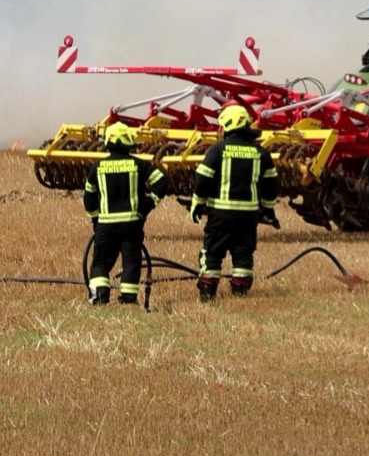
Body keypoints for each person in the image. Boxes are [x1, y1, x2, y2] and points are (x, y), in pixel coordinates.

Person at [189, 104, 280, 302]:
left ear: (228, 125)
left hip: (221, 215)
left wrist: (197, 202)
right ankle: (240, 291)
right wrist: (268, 210)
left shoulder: (218, 150)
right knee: (243, 254)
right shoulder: (261, 153)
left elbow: (203, 178)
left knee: (212, 252)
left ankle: (207, 292)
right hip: (248, 216)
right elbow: (271, 184)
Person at [83, 122, 169, 305]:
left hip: (106, 225)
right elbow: (162, 181)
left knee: (100, 263)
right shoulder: (139, 164)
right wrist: (149, 204)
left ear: (107, 142)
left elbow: (89, 198)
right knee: (131, 262)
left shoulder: (98, 167)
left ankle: (99, 298)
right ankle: (128, 299)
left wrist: (95, 218)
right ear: (130, 142)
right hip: (132, 224)